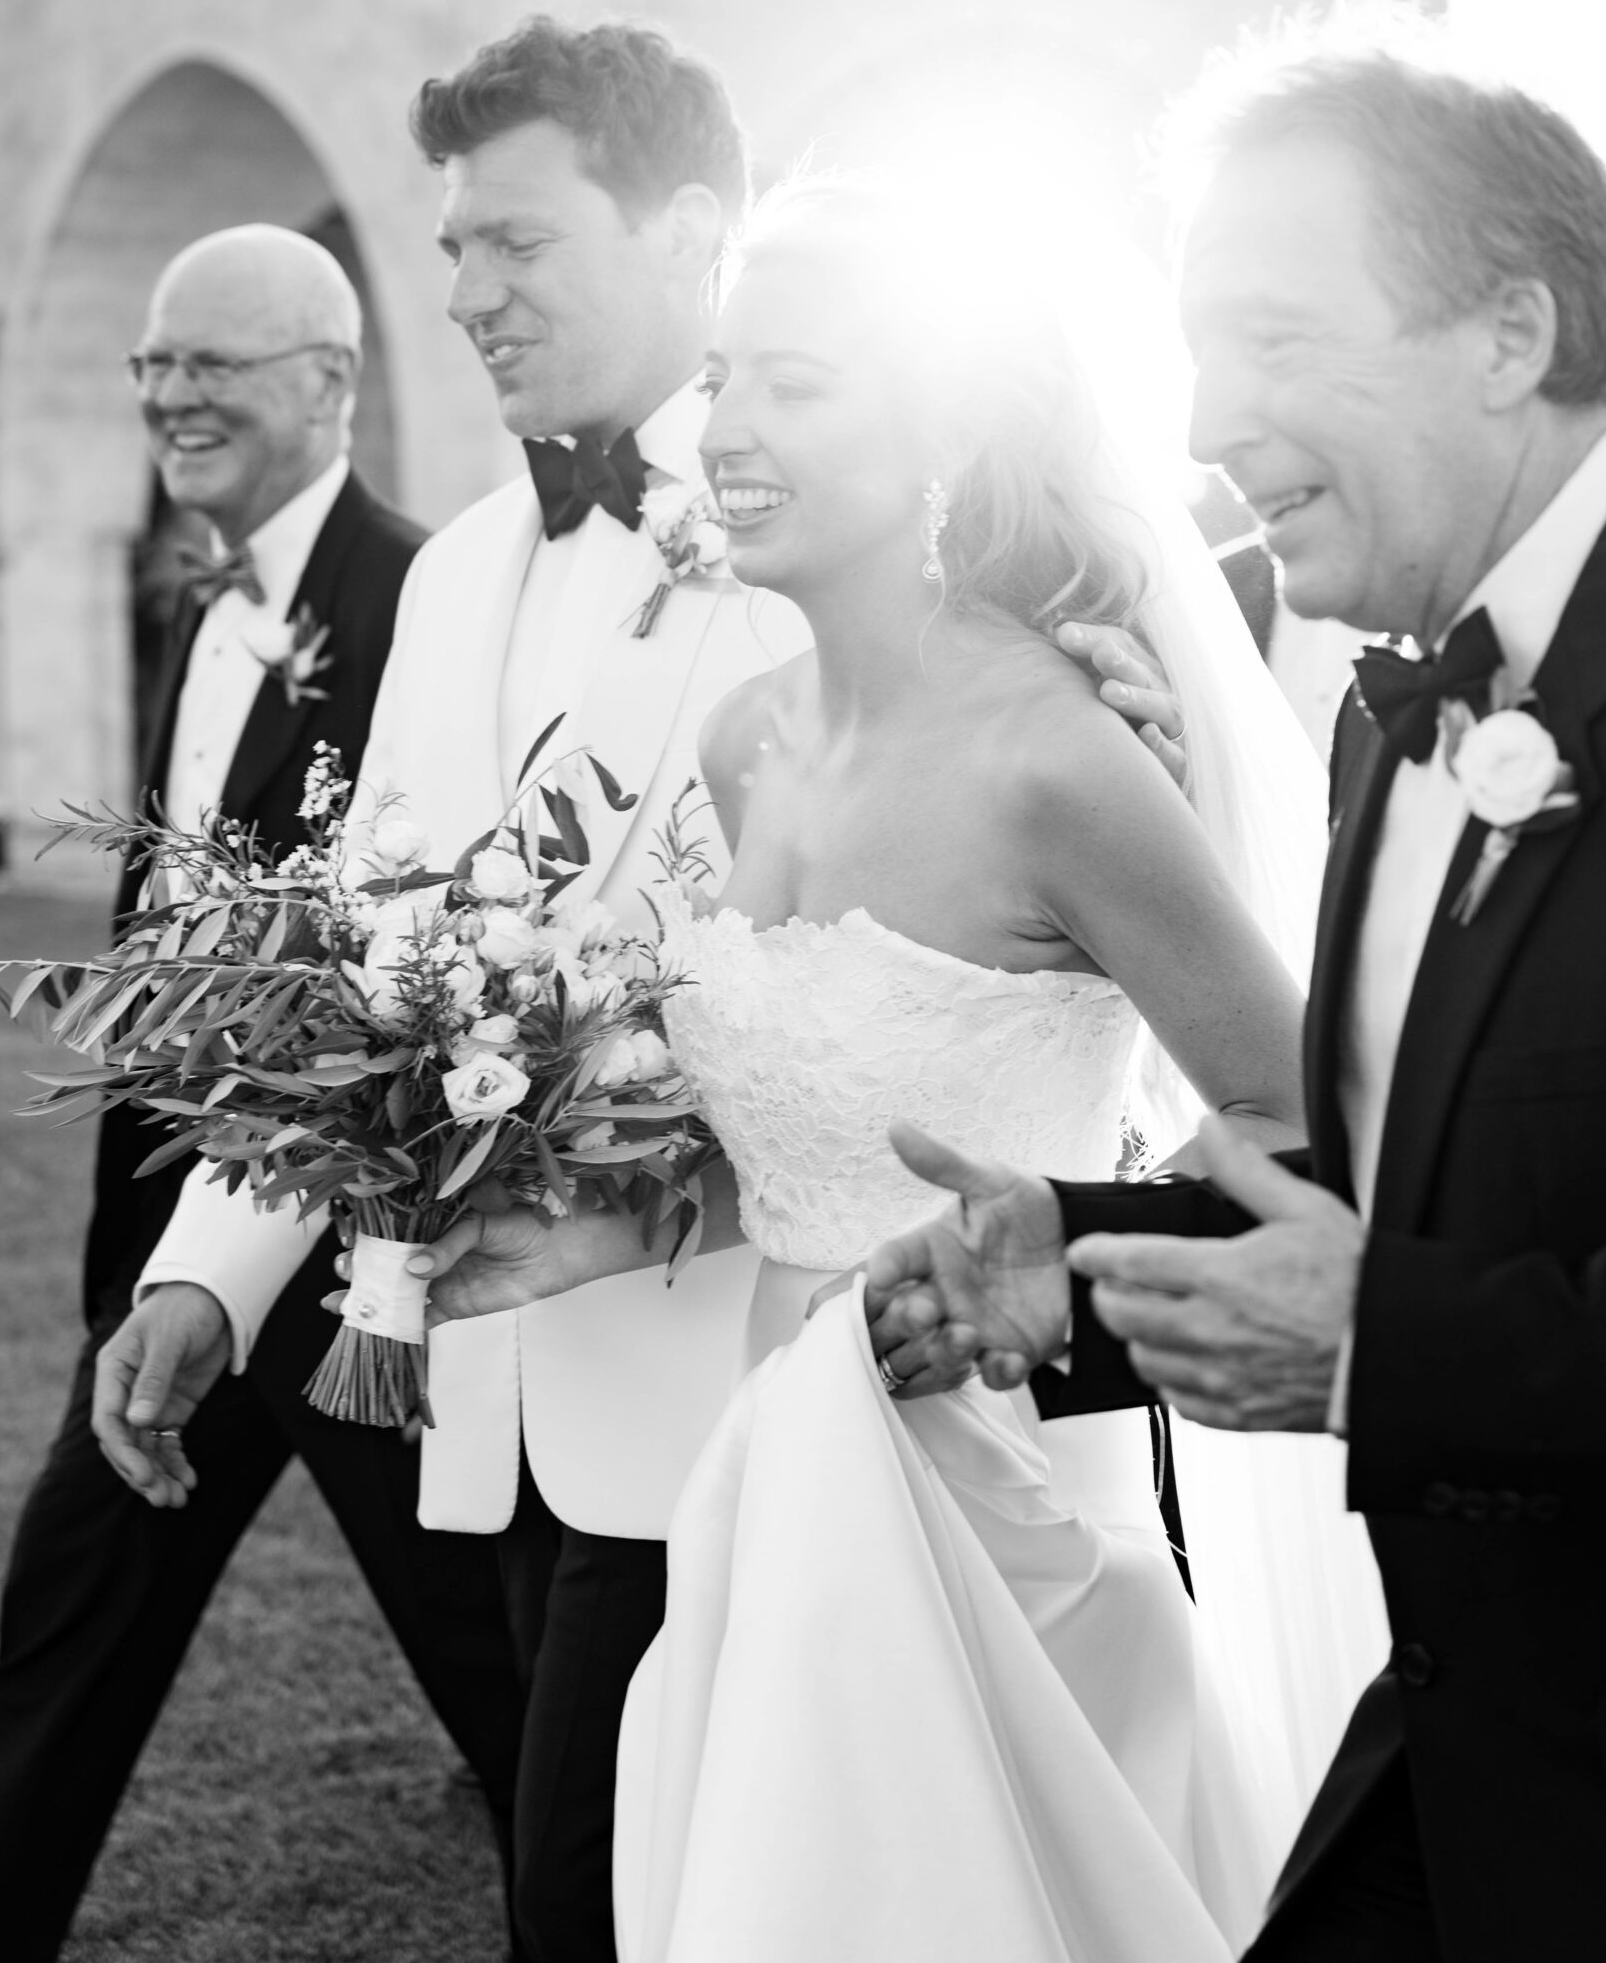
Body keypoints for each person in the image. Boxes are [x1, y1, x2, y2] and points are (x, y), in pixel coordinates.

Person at [415, 177, 1390, 1963]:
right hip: (769, 1498)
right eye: (725, 379)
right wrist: (602, 1238)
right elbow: (796, 1121)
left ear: (938, 424)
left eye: (800, 382)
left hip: (1002, 1515)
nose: (733, 431)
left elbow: (1289, 1122)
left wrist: (1044, 1262)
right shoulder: (744, 740)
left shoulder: (1054, 757)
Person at [866, 16, 1606, 1959]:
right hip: (1482, 1730)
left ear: (1511, 332)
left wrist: (1394, 1347)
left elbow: (1407, 1291)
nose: (1212, 417)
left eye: (1282, 337)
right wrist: (1088, 1262)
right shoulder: (1399, 719)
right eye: (1202, 345)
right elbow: (1406, 1187)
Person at [0, 226, 519, 1963]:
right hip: (177, 1260)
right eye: (149, 364)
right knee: (65, 1628)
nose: (167, 395)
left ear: (331, 381)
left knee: (503, 1672)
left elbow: (409, 952)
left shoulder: (425, 600)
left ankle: (612, 1877)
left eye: (210, 362)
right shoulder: (206, 603)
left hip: (359, 1263)